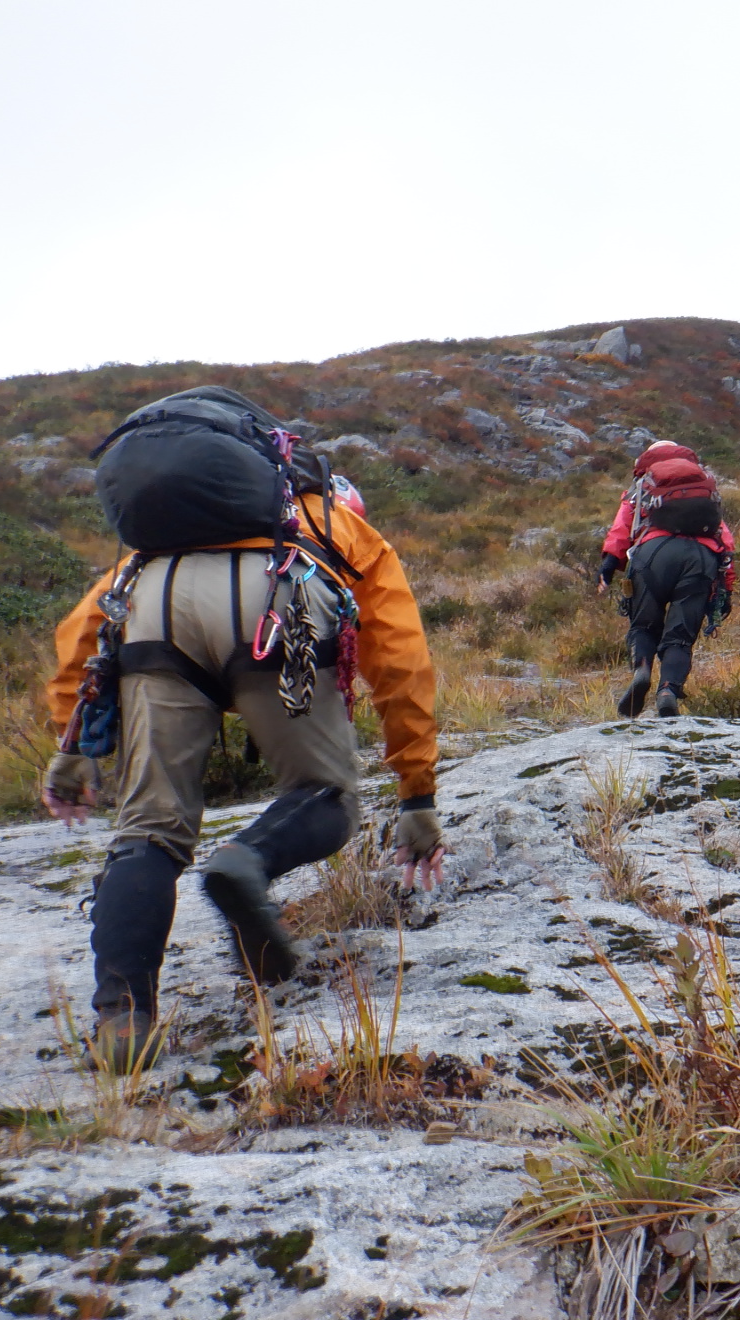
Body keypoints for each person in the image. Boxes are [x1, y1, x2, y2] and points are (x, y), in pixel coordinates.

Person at [41, 387, 443, 1070]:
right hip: (277, 599)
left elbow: (86, 630)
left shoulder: (156, 544)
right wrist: (417, 792)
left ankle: (124, 1019)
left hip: (156, 607)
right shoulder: (332, 524)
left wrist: (73, 743)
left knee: (149, 832)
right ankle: (244, 862)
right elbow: (400, 657)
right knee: (325, 795)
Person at [596, 440, 736, 718]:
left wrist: (609, 566)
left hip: (652, 555)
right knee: (680, 638)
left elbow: (622, 528)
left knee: (644, 626)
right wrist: (726, 589)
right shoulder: (702, 488)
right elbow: (725, 539)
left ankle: (642, 670)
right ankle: (668, 691)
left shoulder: (643, 486)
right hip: (700, 559)